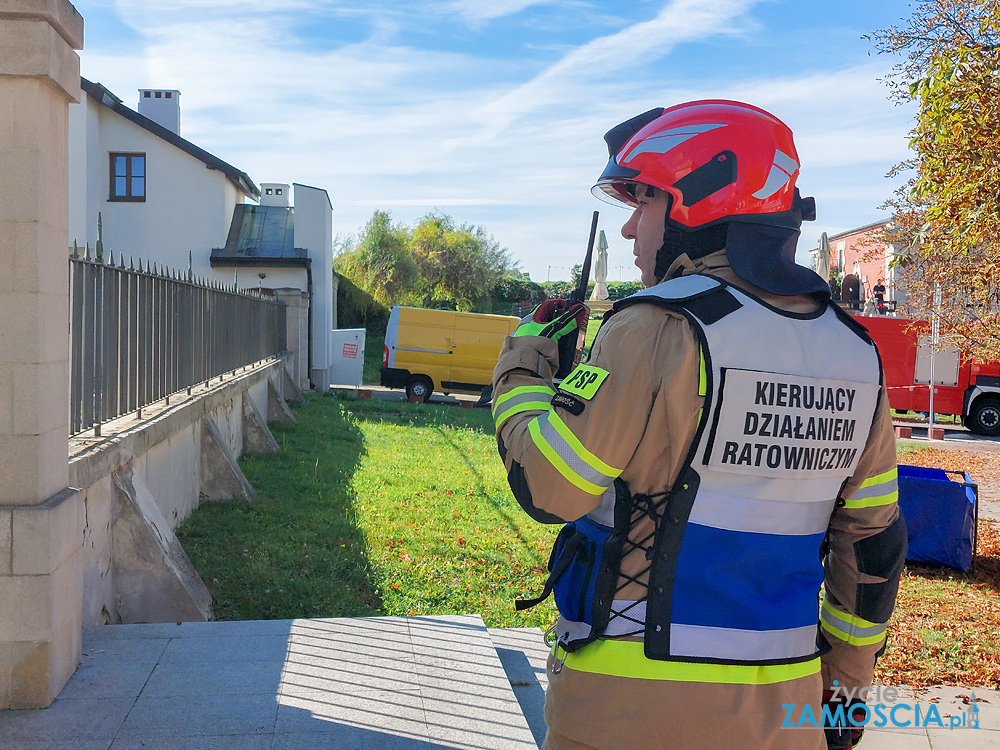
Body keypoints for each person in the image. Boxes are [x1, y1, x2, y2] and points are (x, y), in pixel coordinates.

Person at [491, 100, 906, 750]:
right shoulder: (852, 349)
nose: (630, 229)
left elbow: (550, 486)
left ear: (696, 208)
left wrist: (520, 373)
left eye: (645, 201)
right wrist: (846, 690)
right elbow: (875, 541)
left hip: (626, 714)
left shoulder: (654, 324)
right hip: (786, 717)